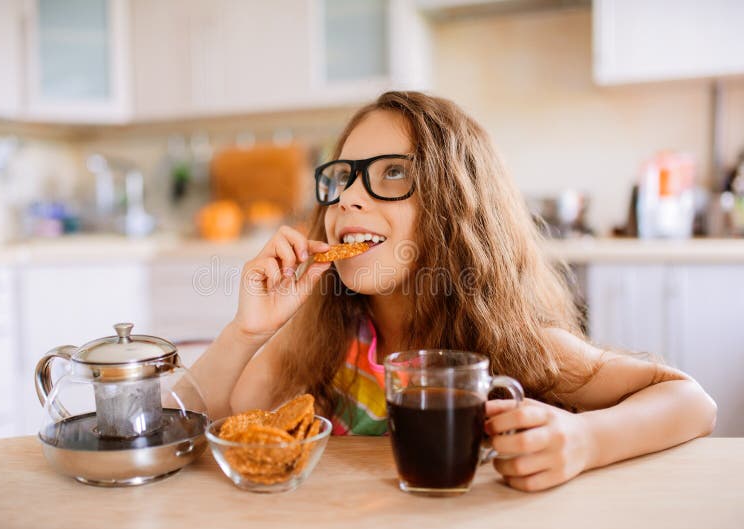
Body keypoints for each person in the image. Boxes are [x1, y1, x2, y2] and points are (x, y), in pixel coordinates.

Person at [190, 91, 716, 491]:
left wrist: (586, 441)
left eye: (393, 173)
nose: (348, 198)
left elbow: (691, 402)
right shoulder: (320, 346)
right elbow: (201, 426)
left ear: (456, 206)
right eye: (342, 177)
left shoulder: (509, 348)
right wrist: (247, 331)